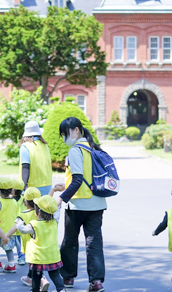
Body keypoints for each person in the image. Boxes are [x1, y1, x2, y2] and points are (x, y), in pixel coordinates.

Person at [56, 117, 106, 292]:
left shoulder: (75, 151)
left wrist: (61, 198)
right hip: (97, 203)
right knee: (94, 243)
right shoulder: (94, 148)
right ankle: (97, 282)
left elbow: (77, 180)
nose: (64, 137)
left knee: (70, 241)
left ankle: (68, 277)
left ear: (77, 130)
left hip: (77, 204)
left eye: (66, 133)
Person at [14, 195, 67, 292]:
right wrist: (58, 205)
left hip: (38, 257)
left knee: (36, 275)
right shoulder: (54, 222)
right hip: (52, 255)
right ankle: (61, 289)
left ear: (37, 212)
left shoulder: (34, 225)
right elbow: (57, 212)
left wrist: (19, 223)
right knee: (55, 274)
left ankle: (35, 290)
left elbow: (23, 229)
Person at [7, 187, 49, 290]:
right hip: (42, 242)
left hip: (29, 245)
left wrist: (6, 236)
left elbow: (15, 227)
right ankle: (30, 277)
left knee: (34, 264)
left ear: (25, 201)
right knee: (36, 263)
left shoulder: (23, 215)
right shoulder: (41, 213)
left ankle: (42, 279)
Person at [20, 121, 53, 196]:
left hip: (32, 187)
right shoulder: (45, 145)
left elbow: (25, 167)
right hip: (47, 185)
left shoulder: (25, 146)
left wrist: (24, 187)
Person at [0, 177, 18, 273]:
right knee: (9, 248)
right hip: (11, 231)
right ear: (12, 190)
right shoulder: (14, 202)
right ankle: (11, 265)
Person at [12, 177, 26, 265]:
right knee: (22, 242)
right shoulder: (24, 199)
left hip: (13, 224)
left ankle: (21, 258)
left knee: (16, 242)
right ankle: (22, 257)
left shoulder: (9, 200)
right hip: (23, 223)